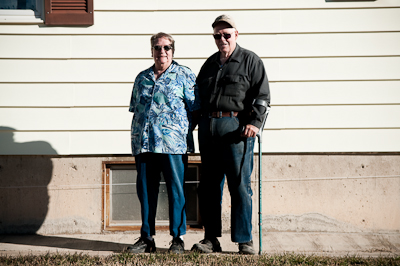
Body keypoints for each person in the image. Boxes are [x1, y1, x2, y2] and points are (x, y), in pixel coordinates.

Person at [191, 15, 270, 255]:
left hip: (236, 130)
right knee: (209, 187)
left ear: (236, 34)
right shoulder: (210, 64)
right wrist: (189, 128)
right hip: (209, 129)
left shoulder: (250, 61)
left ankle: (244, 240)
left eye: (226, 34)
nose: (222, 39)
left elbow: (263, 96)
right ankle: (210, 238)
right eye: (217, 35)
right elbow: (197, 100)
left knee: (239, 185)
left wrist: (255, 123)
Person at [127, 32, 200, 254]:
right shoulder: (142, 78)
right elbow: (135, 110)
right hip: (145, 144)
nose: (162, 52)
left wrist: (180, 131)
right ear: (151, 51)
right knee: (146, 192)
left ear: (173, 50)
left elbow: (195, 110)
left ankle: (177, 238)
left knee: (176, 191)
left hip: (173, 146)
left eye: (167, 48)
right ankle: (146, 238)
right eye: (157, 48)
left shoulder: (185, 75)